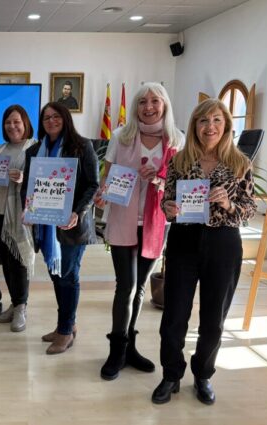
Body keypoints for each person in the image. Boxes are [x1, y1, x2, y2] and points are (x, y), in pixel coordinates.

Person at [151, 99, 255, 405]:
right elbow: (167, 201)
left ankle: (203, 374)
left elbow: (248, 210)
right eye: (202, 121)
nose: (209, 127)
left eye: (216, 121)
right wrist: (168, 207)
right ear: (194, 126)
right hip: (184, 239)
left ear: (226, 126)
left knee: (214, 318)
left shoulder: (240, 163)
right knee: (174, 314)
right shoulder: (180, 161)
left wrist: (228, 204)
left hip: (223, 243)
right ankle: (171, 374)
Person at [94, 82, 185, 380]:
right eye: (143, 101)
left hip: (156, 221)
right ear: (135, 106)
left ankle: (130, 347)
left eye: (155, 101)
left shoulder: (177, 140)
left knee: (141, 287)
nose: (149, 106)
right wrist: (101, 193)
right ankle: (116, 350)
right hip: (123, 218)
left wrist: (158, 182)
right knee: (126, 285)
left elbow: (180, 185)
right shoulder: (122, 135)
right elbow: (106, 177)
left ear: (165, 105)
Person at [21, 102, 99, 355]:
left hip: (71, 226)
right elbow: (28, 188)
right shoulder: (34, 151)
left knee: (68, 276)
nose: (51, 121)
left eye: (56, 117)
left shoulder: (82, 146)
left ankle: (66, 331)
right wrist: (28, 209)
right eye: (46, 118)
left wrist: (78, 212)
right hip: (45, 225)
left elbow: (93, 185)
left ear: (65, 118)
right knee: (57, 276)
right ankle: (65, 325)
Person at [0, 105, 37, 332]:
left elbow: (41, 179)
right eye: (8, 122)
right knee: (7, 261)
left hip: (21, 216)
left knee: (20, 259)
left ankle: (22, 306)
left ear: (25, 123)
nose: (12, 126)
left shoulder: (34, 148)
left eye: (16, 122)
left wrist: (24, 178)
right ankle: (15, 302)